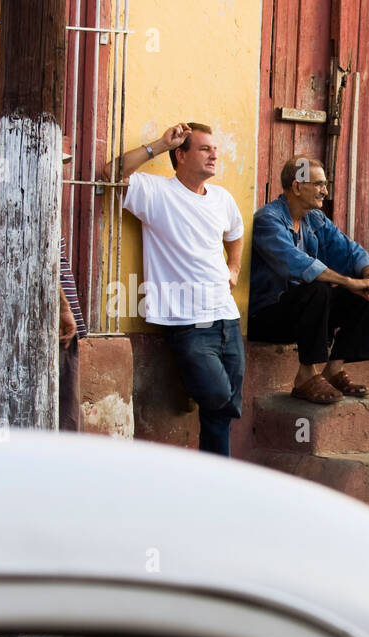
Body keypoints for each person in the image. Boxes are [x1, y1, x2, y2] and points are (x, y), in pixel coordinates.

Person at [112, 122, 245, 456]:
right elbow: (113, 173)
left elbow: (236, 233)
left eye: (214, 148)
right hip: (187, 321)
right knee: (217, 397)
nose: (214, 154)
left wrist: (234, 268)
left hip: (226, 317)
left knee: (223, 410)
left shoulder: (222, 198)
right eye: (204, 149)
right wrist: (158, 144)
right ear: (181, 156)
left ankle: (214, 481)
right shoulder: (157, 193)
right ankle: (194, 384)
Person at [247, 156, 369, 404]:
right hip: (267, 317)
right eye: (319, 184)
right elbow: (297, 264)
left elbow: (350, 251)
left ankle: (334, 368)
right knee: (318, 288)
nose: (325, 191)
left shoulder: (314, 219)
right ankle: (305, 376)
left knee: (365, 291)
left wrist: (368, 276)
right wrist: (349, 282)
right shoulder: (269, 219)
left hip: (304, 313)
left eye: (325, 184)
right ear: (297, 186)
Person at [0, 165, 87, 432]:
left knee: (19, 411)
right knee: (64, 411)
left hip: (12, 330)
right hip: (53, 327)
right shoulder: (37, 207)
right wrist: (63, 312)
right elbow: (45, 265)